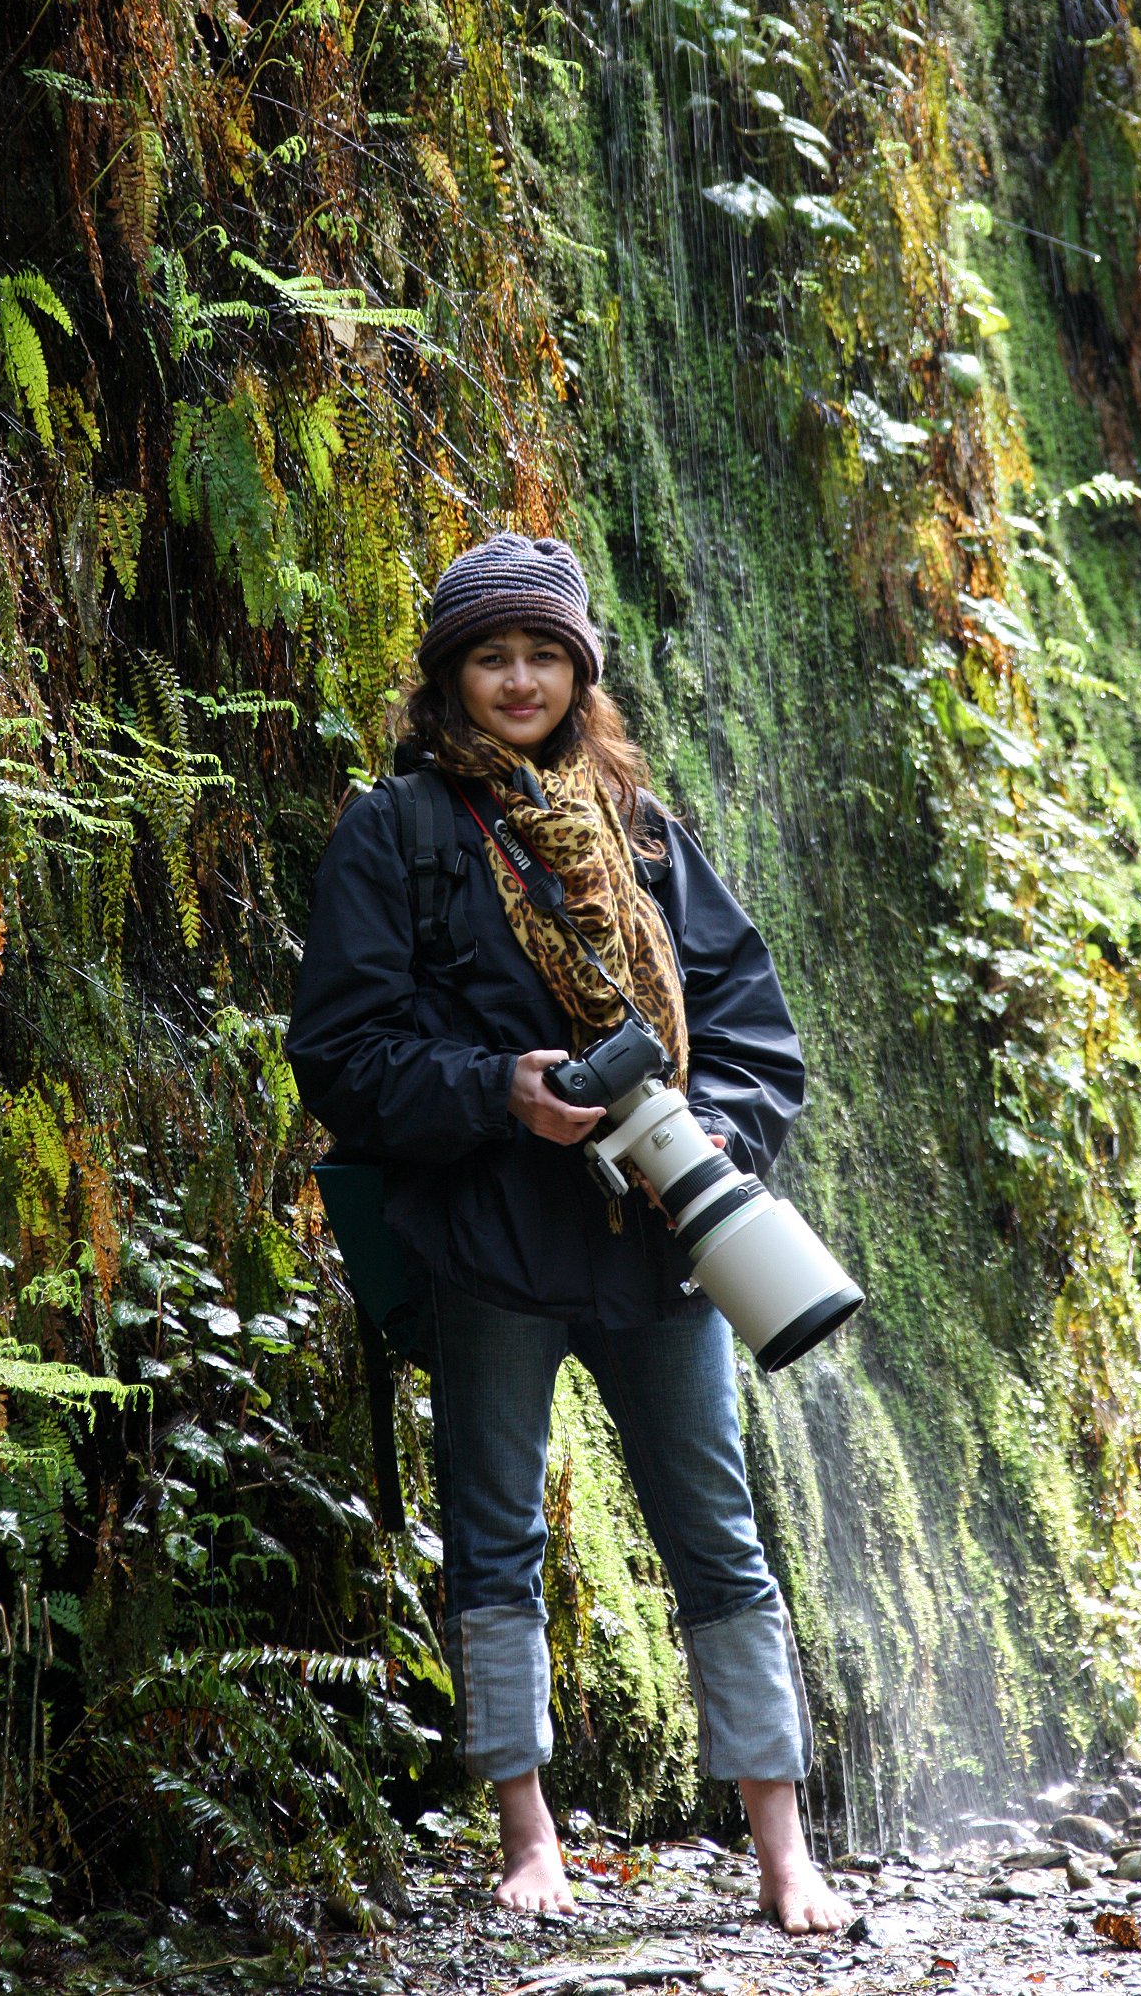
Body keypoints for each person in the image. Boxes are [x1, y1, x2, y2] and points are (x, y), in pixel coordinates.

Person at [288, 532, 848, 1932]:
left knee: (717, 1534)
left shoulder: (643, 830)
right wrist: (501, 1093)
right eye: (493, 656)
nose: (520, 678)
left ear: (582, 675)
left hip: (662, 1243)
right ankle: (525, 1830)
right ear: (450, 678)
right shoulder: (397, 830)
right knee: (493, 1538)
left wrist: (714, 1127)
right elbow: (343, 1055)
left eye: (544, 655)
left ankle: (784, 1846)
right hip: (486, 1236)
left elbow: (753, 1031)